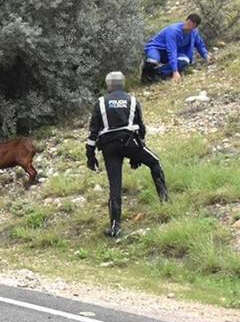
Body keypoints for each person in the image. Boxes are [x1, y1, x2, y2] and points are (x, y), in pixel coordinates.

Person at [85, 72, 168, 238]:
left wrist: (90, 156)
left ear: (108, 85)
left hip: (109, 147)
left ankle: (115, 227)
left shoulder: (100, 103)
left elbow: (93, 132)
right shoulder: (132, 100)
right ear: (123, 84)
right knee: (155, 162)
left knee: (115, 185)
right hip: (130, 142)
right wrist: (137, 156)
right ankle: (165, 203)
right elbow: (141, 128)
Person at [141, 14, 209, 84]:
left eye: (192, 25)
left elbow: (199, 44)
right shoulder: (173, 31)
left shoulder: (194, 33)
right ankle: (145, 76)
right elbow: (171, 50)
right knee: (153, 60)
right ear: (186, 20)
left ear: (195, 27)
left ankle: (158, 73)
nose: (189, 26)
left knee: (185, 60)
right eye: (189, 23)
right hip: (157, 48)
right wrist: (175, 71)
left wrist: (206, 55)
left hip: (170, 53)